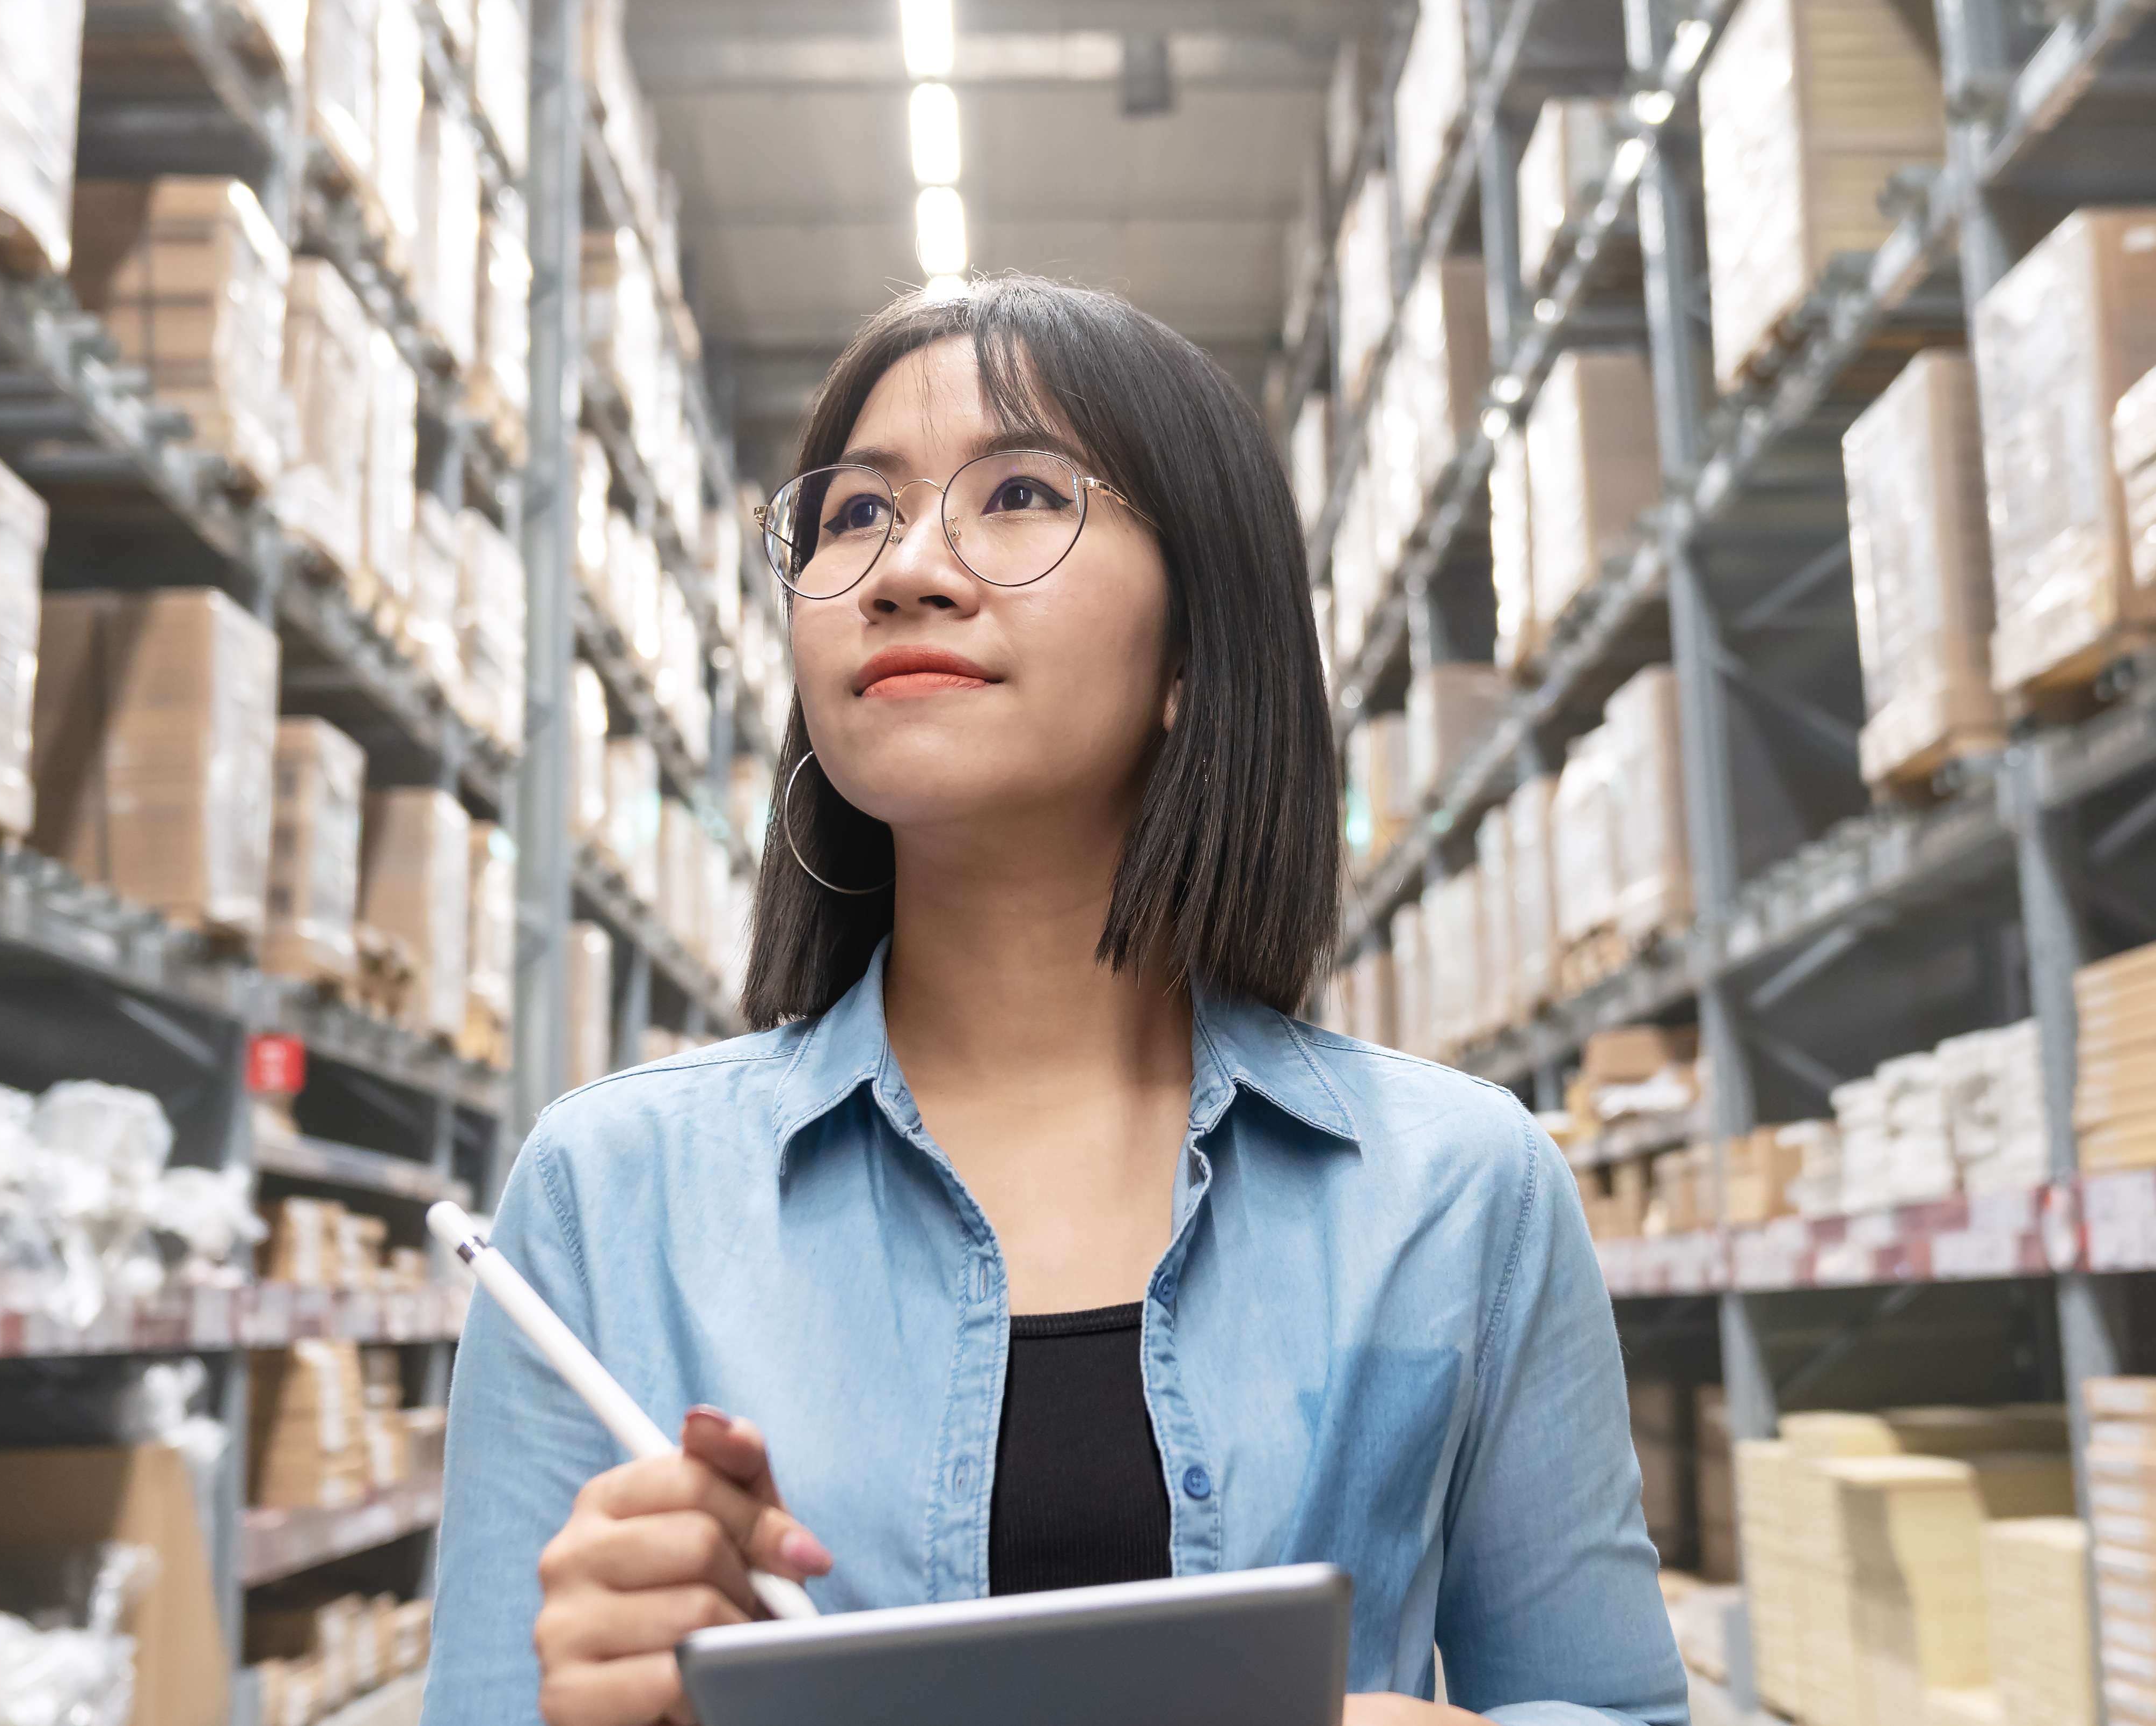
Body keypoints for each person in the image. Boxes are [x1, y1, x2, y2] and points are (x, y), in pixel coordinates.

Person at [423, 274, 1684, 1726]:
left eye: (1018, 492)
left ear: (1195, 646)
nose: (905, 568)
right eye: (853, 514)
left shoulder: (1460, 1188)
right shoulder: (605, 1196)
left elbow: (1619, 1709)